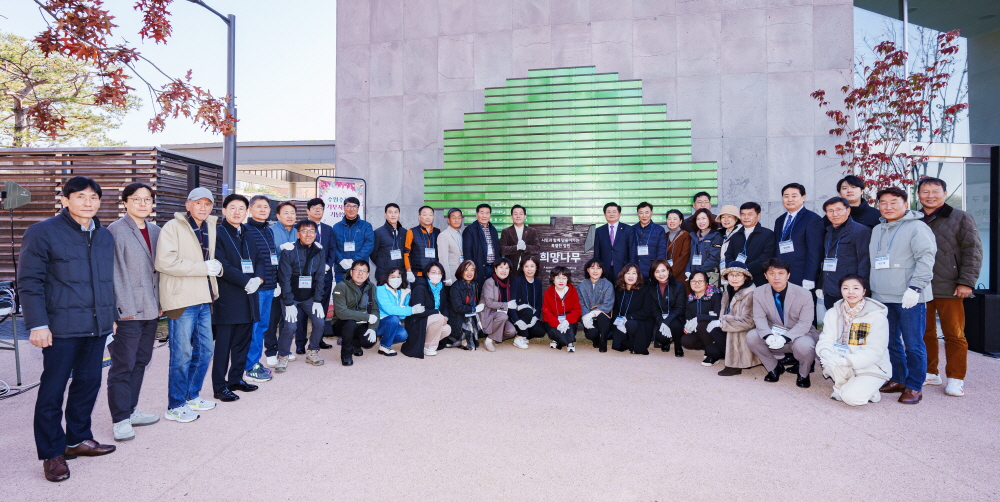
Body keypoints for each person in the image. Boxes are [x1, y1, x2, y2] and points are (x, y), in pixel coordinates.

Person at [19, 177, 117, 482]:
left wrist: (111, 315)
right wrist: (37, 323)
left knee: (88, 384)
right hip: (59, 327)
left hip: (96, 326)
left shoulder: (103, 235)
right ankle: (52, 453)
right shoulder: (42, 232)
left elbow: (105, 280)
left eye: (94, 197)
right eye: (80, 196)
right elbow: (30, 282)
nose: (88, 202)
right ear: (65, 200)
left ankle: (77, 440)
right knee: (52, 390)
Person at [155, 186, 222, 422]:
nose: (203, 208)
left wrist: (216, 269)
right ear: (187, 204)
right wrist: (202, 268)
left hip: (204, 297)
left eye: (207, 204)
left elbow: (210, 259)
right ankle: (175, 404)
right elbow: (164, 262)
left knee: (206, 350)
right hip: (181, 299)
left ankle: (192, 395)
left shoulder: (210, 226)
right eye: (198, 203)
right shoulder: (172, 227)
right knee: (181, 354)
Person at [869, 187, 938, 404]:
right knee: (890, 341)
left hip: (909, 296)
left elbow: (926, 259)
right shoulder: (877, 229)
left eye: (893, 202)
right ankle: (898, 378)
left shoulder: (918, 228)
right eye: (883, 202)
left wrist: (915, 288)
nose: (887, 207)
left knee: (913, 343)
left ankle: (914, 386)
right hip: (882, 296)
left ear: (905, 204)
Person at [106, 183, 162, 442]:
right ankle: (120, 419)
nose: (142, 203)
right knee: (122, 365)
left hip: (151, 308)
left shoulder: (156, 230)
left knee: (141, 361)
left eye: (147, 199)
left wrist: (161, 302)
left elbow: (159, 271)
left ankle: (131, 409)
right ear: (125, 202)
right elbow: (115, 273)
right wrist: (121, 312)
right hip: (128, 311)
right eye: (136, 199)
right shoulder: (116, 230)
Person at [918, 177, 983, 397]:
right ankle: (930, 372)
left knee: (954, 335)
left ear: (945, 193)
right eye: (925, 191)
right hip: (921, 287)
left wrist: (966, 281)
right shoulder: (915, 219)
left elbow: (973, 251)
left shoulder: (960, 217)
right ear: (918, 195)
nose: (930, 195)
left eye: (935, 191)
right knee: (925, 333)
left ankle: (956, 378)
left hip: (951, 287)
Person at [210, 194, 262, 403]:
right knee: (223, 345)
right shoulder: (218, 234)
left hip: (249, 297)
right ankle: (219, 386)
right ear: (223, 211)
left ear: (246, 211)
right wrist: (245, 281)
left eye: (241, 208)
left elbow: (260, 259)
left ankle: (235, 379)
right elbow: (221, 264)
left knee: (242, 342)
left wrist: (258, 278)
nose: (237, 212)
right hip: (228, 298)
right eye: (232, 208)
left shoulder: (249, 233)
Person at [817, 275, 891, 406]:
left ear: (864, 291)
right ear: (841, 291)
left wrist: (847, 361)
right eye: (846, 288)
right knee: (828, 363)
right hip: (843, 360)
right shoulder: (833, 313)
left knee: (851, 399)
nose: (850, 292)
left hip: (872, 366)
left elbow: (875, 350)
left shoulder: (876, 316)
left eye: (856, 288)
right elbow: (826, 338)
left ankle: (867, 390)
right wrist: (826, 353)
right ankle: (844, 387)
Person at [745, 258, 820, 388]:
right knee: (752, 336)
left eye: (781, 273)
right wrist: (768, 335)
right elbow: (759, 318)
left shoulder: (804, 294)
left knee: (805, 345)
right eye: (772, 273)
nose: (776, 277)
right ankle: (774, 367)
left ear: (788, 275)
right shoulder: (758, 292)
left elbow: (805, 323)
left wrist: (786, 337)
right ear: (765, 276)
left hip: (799, 335)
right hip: (773, 334)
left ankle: (803, 373)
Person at [275, 219, 328, 372]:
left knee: (319, 322)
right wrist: (289, 303)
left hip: (309, 297)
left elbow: (320, 277)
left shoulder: (319, 251)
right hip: (291, 297)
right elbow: (284, 278)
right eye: (304, 231)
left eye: (312, 231)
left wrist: (318, 300)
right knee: (290, 325)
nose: (308, 234)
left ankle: (312, 351)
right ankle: (283, 356)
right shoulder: (289, 251)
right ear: (298, 234)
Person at [243, 195, 277, 383]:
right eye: (259, 207)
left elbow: (272, 258)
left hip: (270, 286)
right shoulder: (246, 230)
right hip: (256, 287)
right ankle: (249, 366)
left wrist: (275, 281)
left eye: (266, 207)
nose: (263, 210)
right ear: (250, 209)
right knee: (255, 327)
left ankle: (254, 361)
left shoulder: (268, 231)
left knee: (262, 326)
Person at [818, 196, 871, 309]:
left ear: (848, 210)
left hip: (850, 291)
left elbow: (864, 262)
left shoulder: (860, 231)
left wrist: (862, 289)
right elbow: (825, 259)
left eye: (839, 210)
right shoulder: (827, 232)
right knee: (834, 324)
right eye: (830, 211)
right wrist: (821, 285)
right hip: (830, 288)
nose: (835, 214)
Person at [264, 201, 298, 367]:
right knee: (273, 317)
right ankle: (270, 350)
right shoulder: (270, 231)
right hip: (274, 280)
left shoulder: (298, 232)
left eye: (292, 213)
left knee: (288, 317)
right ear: (277, 216)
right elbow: (266, 258)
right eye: (286, 213)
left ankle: (284, 348)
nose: (290, 216)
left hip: (292, 282)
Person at [773, 183, 824, 293]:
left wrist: (810, 277)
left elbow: (815, 251)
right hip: (781, 275)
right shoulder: (779, 220)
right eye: (786, 196)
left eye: (794, 196)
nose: (789, 199)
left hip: (801, 275)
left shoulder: (813, 219)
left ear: (803, 197)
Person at [332, 260, 381, 366]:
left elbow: (375, 310)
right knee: (350, 323)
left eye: (364, 271)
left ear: (368, 274)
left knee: (369, 342)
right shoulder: (341, 286)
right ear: (351, 272)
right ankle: (346, 353)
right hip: (342, 323)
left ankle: (355, 344)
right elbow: (341, 312)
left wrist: (372, 328)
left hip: (361, 323)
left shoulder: (371, 287)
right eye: (357, 270)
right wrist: (367, 317)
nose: (360, 273)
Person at [716, 261, 759, 376]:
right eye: (731, 275)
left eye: (738, 275)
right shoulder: (728, 291)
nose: (734, 278)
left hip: (748, 332)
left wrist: (724, 322)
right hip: (729, 326)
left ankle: (735, 365)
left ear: (745, 277)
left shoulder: (750, 294)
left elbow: (749, 322)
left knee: (732, 327)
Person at [303, 198, 336, 350]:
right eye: (314, 208)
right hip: (305, 275)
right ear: (308, 211)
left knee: (321, 308)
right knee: (303, 309)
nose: (318, 210)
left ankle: (319, 339)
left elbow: (332, 250)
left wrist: (328, 266)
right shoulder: (301, 227)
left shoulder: (329, 229)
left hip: (325, 275)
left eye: (321, 208)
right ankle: (300, 343)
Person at [402, 261, 452, 357]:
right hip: (417, 320)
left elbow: (445, 305)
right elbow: (418, 311)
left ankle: (424, 344)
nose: (436, 275)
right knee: (438, 318)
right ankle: (429, 347)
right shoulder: (420, 287)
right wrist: (437, 312)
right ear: (427, 273)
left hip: (433, 320)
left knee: (447, 329)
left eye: (439, 273)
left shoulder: (440, 287)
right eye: (433, 272)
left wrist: (445, 317)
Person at [724, 202, 775, 287]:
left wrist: (745, 269)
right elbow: (729, 254)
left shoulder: (768, 234)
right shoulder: (736, 235)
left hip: (758, 280)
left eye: (750, 214)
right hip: (736, 280)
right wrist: (734, 269)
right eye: (743, 214)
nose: (746, 217)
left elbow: (766, 257)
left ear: (758, 216)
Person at [680, 271, 725, 366]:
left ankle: (712, 355)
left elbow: (719, 316)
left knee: (702, 324)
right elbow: (688, 316)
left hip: (717, 330)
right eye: (693, 281)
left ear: (706, 283)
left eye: (700, 281)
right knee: (685, 340)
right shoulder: (690, 298)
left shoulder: (715, 295)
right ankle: (711, 347)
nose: (697, 284)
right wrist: (688, 325)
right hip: (701, 332)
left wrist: (699, 318)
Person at [375, 267, 422, 356]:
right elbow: (389, 309)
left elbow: (402, 316)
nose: (396, 279)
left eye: (398, 276)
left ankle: (384, 340)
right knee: (393, 318)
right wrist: (411, 310)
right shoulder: (380, 289)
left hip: (393, 322)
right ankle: (385, 347)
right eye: (392, 276)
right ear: (387, 278)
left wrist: (404, 304)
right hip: (378, 323)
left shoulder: (404, 292)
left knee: (403, 335)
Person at [643, 259, 685, 356]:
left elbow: (680, 308)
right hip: (660, 319)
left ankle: (678, 346)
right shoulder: (651, 287)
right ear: (653, 274)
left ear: (668, 271)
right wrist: (662, 322)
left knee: (676, 325)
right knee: (660, 337)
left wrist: (666, 322)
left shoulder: (679, 285)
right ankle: (666, 342)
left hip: (676, 318)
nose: (661, 274)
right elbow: (654, 309)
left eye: (663, 271)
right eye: (657, 272)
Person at [612, 263, 652, 354]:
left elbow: (646, 311)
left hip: (640, 322)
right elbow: (616, 308)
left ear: (638, 276)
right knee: (617, 346)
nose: (630, 276)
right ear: (623, 275)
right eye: (628, 273)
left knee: (630, 324)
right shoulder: (619, 289)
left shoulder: (644, 289)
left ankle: (636, 344)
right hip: (622, 322)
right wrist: (617, 320)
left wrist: (627, 318)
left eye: (634, 273)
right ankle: (629, 343)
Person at [480, 258, 518, 351]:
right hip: (488, 314)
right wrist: (507, 305)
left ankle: (495, 337)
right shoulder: (489, 282)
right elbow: (489, 303)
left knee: (511, 332)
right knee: (502, 316)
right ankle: (489, 340)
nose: (504, 270)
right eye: (501, 267)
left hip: (501, 314)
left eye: (507, 268)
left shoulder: (509, 284)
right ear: (495, 269)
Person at [542, 266, 582, 352]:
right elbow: (547, 312)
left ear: (568, 279)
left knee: (570, 327)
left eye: (564, 278)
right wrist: (557, 324)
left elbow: (577, 309)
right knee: (554, 331)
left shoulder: (573, 291)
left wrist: (567, 321)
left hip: (568, 321)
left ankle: (568, 342)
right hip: (554, 321)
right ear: (553, 279)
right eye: (558, 277)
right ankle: (562, 340)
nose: (561, 281)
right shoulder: (548, 293)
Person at [579, 258, 615, 352]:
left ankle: (603, 343)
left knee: (602, 317)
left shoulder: (607, 284)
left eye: (598, 268)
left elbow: (608, 303)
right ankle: (596, 340)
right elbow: (580, 303)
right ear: (587, 270)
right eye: (592, 268)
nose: (595, 271)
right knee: (591, 334)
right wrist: (587, 315)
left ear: (602, 270)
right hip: (588, 315)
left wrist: (594, 313)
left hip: (602, 314)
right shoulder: (582, 285)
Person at [332, 196, 374, 277]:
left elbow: (369, 245)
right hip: (341, 269)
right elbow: (333, 246)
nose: (351, 209)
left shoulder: (366, 226)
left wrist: (355, 260)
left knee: (360, 290)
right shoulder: (336, 227)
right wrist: (340, 260)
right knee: (341, 290)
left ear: (358, 209)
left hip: (360, 269)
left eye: (354, 206)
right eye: (348, 206)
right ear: (344, 208)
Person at [509, 256, 546, 349]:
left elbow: (538, 303)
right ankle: (519, 337)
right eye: (526, 266)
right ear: (522, 268)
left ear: (536, 267)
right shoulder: (517, 280)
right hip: (518, 315)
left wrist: (535, 317)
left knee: (540, 331)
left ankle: (524, 334)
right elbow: (511, 303)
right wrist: (516, 320)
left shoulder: (538, 282)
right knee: (527, 310)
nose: (529, 269)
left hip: (531, 315)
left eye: (532, 266)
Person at [463, 203, 502, 289]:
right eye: (482, 213)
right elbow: (467, 251)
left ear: (490, 215)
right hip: (479, 268)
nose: (485, 215)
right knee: (480, 292)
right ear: (477, 214)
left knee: (492, 292)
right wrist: (471, 269)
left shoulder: (493, 229)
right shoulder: (470, 230)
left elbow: (497, 249)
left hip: (493, 267)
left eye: (487, 213)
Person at [449, 260, 484, 350]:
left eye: (472, 270)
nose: (469, 273)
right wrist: (474, 309)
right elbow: (458, 307)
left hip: (470, 314)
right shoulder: (456, 287)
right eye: (466, 270)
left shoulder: (474, 285)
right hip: (459, 317)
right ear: (461, 271)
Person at [594, 202, 634, 280]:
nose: (611, 214)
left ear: (619, 214)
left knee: (621, 291)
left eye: (614, 212)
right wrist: (598, 268)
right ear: (604, 215)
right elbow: (597, 252)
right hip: (605, 269)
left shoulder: (628, 229)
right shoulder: (599, 230)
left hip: (623, 268)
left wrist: (631, 268)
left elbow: (632, 250)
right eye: (608, 212)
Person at [686, 208, 723, 286]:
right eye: (698, 219)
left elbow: (714, 258)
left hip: (710, 275)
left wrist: (699, 272)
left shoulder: (716, 236)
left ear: (709, 219)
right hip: (694, 276)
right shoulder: (693, 236)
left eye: (703, 218)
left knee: (710, 297)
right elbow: (689, 256)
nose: (701, 221)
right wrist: (688, 270)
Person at [403, 206, 441, 282]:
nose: (428, 217)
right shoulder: (411, 232)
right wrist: (409, 271)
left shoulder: (439, 232)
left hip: (434, 275)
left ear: (433, 217)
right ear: (419, 217)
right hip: (417, 275)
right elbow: (406, 253)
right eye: (425, 214)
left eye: (430, 215)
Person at [630, 202, 667, 278]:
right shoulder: (631, 229)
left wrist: (657, 269)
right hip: (635, 270)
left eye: (647, 212)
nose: (644, 216)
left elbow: (662, 250)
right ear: (638, 214)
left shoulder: (659, 230)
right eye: (641, 213)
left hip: (651, 269)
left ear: (651, 213)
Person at [500, 204, 541, 271]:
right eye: (515, 214)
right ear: (511, 216)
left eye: (521, 214)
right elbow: (503, 250)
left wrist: (525, 247)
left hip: (527, 268)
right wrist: (516, 247)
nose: (518, 216)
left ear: (525, 216)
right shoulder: (506, 231)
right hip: (511, 268)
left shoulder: (532, 231)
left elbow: (537, 249)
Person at [373, 203, 405, 277]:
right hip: (384, 273)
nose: (393, 215)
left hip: (400, 274)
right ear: (385, 215)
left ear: (399, 214)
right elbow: (373, 253)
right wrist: (382, 264)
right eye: (390, 212)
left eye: (395, 212)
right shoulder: (378, 232)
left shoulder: (405, 232)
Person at [664, 209, 691, 291]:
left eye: (675, 219)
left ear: (680, 221)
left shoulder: (685, 235)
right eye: (669, 219)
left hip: (681, 274)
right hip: (665, 274)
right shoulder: (665, 235)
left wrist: (671, 273)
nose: (672, 221)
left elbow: (684, 256)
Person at [438, 208, 465, 286]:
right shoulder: (444, 235)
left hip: (461, 274)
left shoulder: (460, 234)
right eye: (454, 218)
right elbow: (443, 259)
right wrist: (447, 277)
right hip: (451, 276)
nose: (457, 220)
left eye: (459, 218)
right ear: (448, 220)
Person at [716, 205, 741, 273]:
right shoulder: (721, 233)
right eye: (723, 217)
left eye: (729, 216)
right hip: (723, 269)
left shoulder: (741, 233)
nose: (726, 219)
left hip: (737, 271)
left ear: (736, 219)